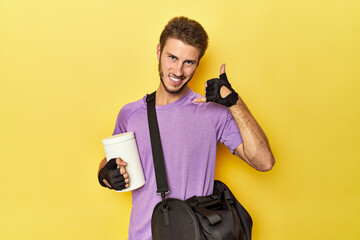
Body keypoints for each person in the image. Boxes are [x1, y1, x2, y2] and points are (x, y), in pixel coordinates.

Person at [98, 16, 275, 240]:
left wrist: (234, 102)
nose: (178, 71)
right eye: (172, 57)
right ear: (158, 51)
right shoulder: (130, 114)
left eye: (188, 62)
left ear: (198, 63)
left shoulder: (212, 112)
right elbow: (110, 163)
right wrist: (105, 174)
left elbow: (264, 161)